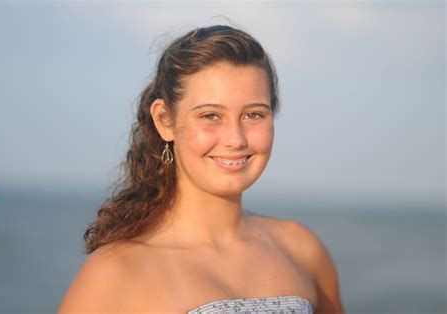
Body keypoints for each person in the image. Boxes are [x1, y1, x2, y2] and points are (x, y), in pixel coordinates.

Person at [58, 25, 343, 313]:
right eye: (210, 116)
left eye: (253, 114)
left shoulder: (302, 250)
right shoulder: (116, 272)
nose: (235, 138)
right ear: (164, 120)